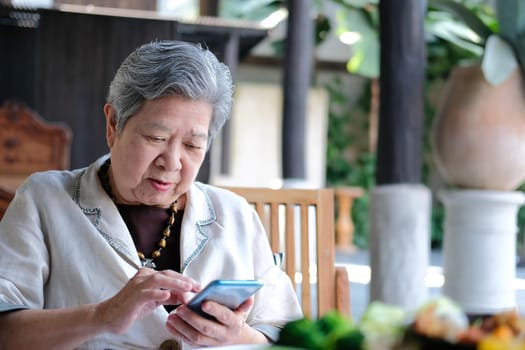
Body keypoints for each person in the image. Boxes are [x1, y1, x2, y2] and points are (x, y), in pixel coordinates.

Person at [0, 40, 302, 350]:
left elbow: (287, 331)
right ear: (113, 124)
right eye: (156, 138)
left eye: (193, 145)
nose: (171, 162)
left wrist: (238, 336)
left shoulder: (235, 214)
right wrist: (102, 315)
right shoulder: (44, 199)